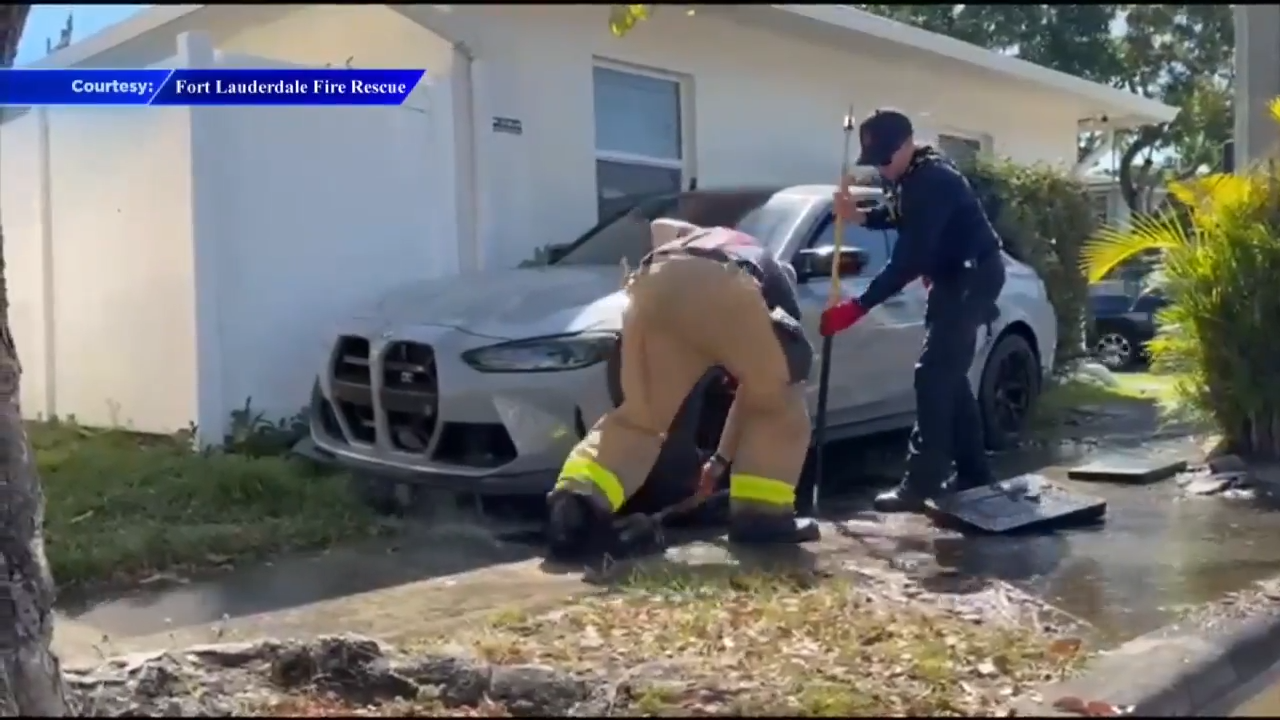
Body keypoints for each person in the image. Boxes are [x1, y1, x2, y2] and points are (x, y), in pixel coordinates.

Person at [546, 217, 818, 557]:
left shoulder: (712, 236)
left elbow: (661, 227)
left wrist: (718, 461)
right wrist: (721, 461)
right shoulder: (776, 287)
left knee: (640, 418)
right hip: (728, 282)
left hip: (656, 278)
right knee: (779, 402)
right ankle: (762, 518)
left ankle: (576, 509)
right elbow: (759, 395)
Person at [819, 109, 1006, 513]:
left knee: (933, 376)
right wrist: (860, 217)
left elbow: (908, 260)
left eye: (888, 159)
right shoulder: (913, 175)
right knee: (950, 377)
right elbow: (902, 215)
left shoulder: (931, 179)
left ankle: (921, 483)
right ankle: (974, 472)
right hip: (956, 277)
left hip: (971, 280)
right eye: (877, 162)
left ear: (907, 144)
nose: (883, 169)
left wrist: (857, 306)